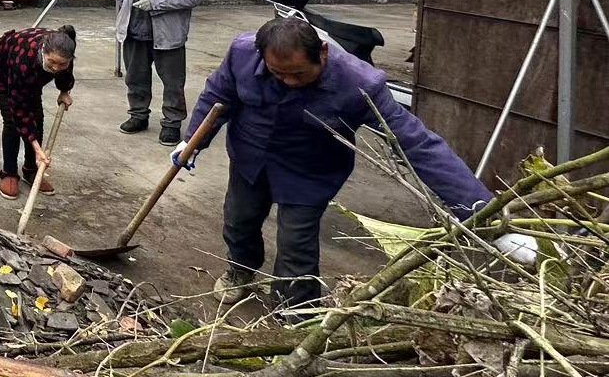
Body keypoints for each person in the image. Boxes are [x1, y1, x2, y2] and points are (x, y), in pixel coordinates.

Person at [179, 17, 536, 310]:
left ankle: (293, 316)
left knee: (296, 244)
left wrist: (485, 218)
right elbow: (218, 95)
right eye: (278, 74)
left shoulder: (359, 84)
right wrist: (192, 140)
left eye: (299, 75)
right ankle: (241, 270)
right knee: (239, 221)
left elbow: (419, 145)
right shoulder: (242, 53)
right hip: (250, 157)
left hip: (310, 170)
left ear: (322, 52)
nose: (288, 82)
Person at [115, 0, 203, 145]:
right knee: (135, 78)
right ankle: (138, 116)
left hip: (168, 36)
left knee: (173, 82)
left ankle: (172, 124)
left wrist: (156, 1)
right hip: (135, 33)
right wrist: (123, 21)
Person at [0, 26, 76, 199]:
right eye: (51, 62)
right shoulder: (24, 62)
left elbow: (65, 67)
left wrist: (64, 90)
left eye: (61, 63)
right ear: (43, 51)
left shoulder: (64, 49)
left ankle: (30, 169)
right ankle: (9, 172)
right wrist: (39, 149)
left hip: (31, 77)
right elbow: (20, 109)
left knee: (37, 117)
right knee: (12, 121)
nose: (55, 68)